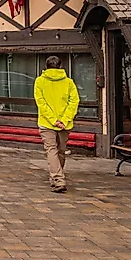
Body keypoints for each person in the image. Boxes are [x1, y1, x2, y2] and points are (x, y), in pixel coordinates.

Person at [33, 56, 80, 193]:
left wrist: (53, 120)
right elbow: (74, 102)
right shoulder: (69, 83)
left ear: (46, 66)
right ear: (60, 66)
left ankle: (58, 179)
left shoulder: (40, 81)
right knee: (60, 151)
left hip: (46, 123)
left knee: (51, 150)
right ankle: (57, 177)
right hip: (65, 125)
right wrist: (64, 120)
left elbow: (41, 103)